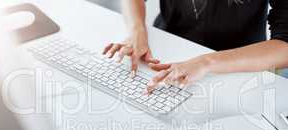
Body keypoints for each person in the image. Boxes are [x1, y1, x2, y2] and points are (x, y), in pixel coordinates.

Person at [103, 0, 288, 93]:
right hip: (166, 51)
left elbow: (285, 46)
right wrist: (137, 31)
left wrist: (206, 62)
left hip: (239, 69)